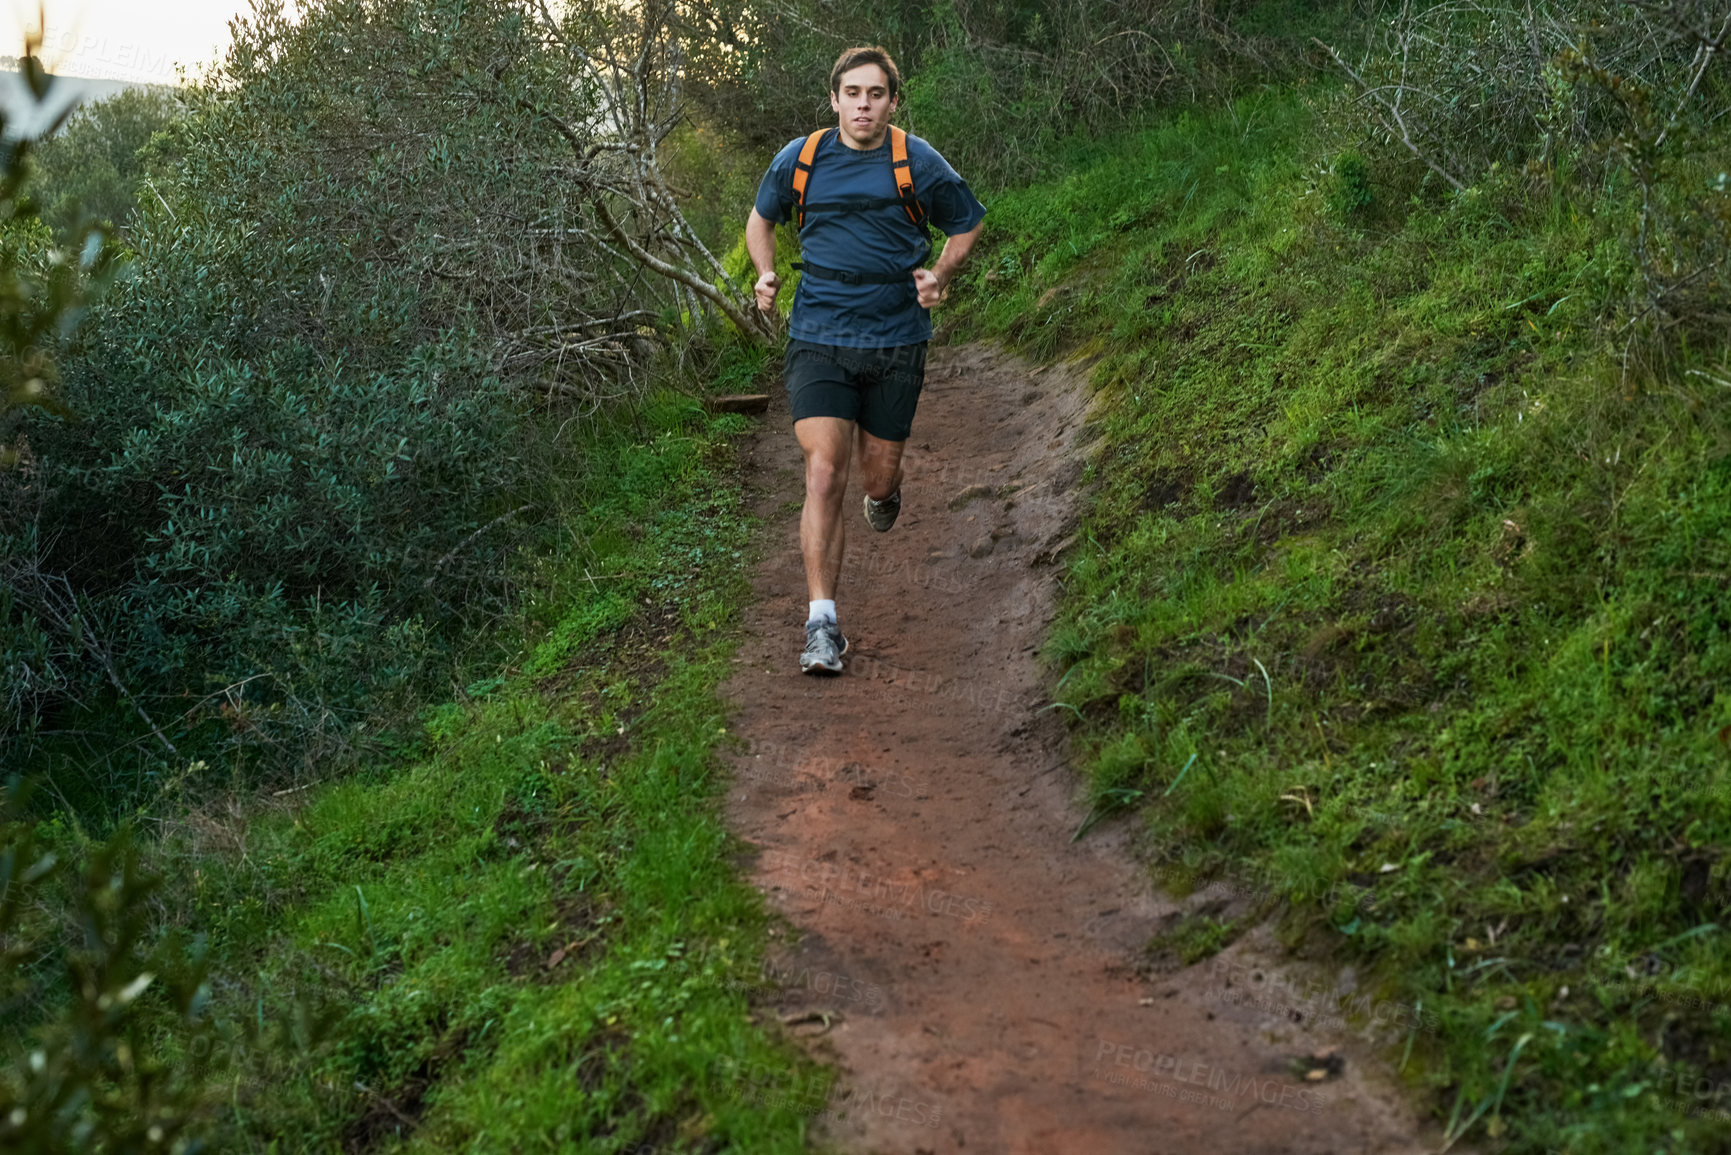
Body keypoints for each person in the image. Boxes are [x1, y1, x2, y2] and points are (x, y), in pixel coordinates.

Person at [745, 44, 986, 675]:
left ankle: (887, 491)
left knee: (876, 478)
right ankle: (821, 624)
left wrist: (940, 274)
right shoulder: (801, 159)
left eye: (875, 94)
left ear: (892, 101)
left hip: (896, 340)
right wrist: (766, 274)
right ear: (834, 98)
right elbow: (760, 220)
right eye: (852, 93)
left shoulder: (916, 160)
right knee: (824, 472)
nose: (863, 105)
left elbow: (967, 223)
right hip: (820, 335)